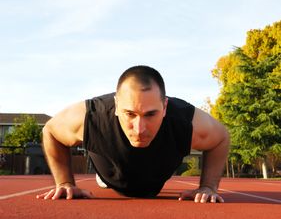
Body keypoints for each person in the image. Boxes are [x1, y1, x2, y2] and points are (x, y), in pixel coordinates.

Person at [36, 65, 229, 203]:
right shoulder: (93, 117)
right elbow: (51, 131)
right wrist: (65, 182)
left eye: (150, 114)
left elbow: (221, 138)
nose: (140, 128)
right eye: (130, 114)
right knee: (107, 179)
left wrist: (208, 187)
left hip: (155, 178)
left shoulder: (185, 121)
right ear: (117, 106)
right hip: (109, 172)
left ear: (165, 107)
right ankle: (104, 179)